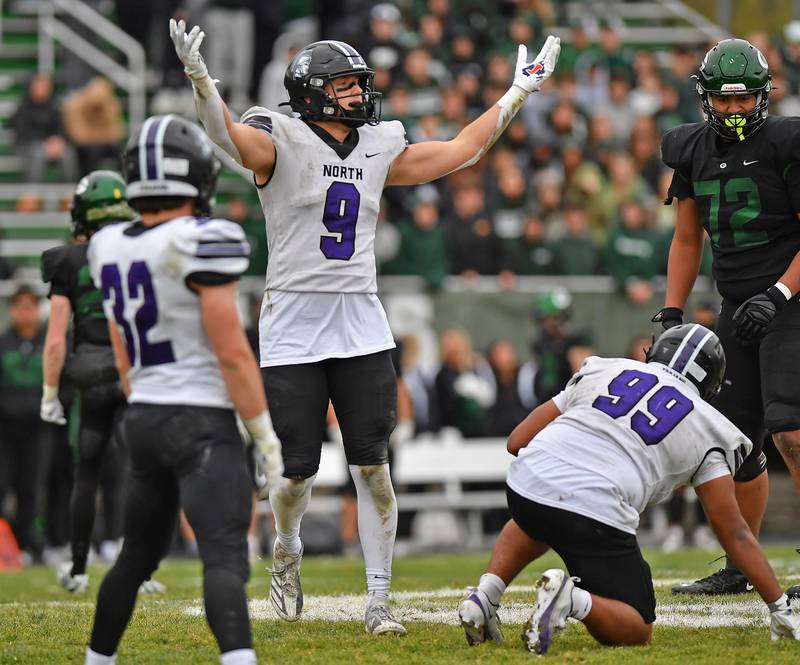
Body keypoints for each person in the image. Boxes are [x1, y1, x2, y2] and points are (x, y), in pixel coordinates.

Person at [169, 18, 560, 634]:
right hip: (294, 321)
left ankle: (379, 599)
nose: (359, 93)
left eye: (359, 83)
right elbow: (228, 138)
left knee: (373, 467)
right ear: (313, 91)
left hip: (360, 320)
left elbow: (461, 150)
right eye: (346, 85)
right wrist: (199, 81)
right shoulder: (280, 138)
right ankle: (287, 545)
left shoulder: (379, 144)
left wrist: (517, 93)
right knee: (294, 473)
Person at [457, 324, 800, 654]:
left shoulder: (603, 369)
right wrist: (778, 604)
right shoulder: (709, 426)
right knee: (637, 626)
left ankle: (485, 595)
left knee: (541, 510)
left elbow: (517, 441)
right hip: (592, 508)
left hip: (525, 485)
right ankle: (569, 599)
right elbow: (733, 532)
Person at [82, 115, 283, 665]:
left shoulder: (106, 244)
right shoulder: (203, 239)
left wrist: (145, 402)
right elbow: (231, 351)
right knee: (223, 557)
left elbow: (122, 351)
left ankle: (97, 660)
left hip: (143, 415)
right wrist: (264, 435)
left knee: (135, 557)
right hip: (200, 420)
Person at [655, 38, 800, 596]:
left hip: (792, 298)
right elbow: (687, 238)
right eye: (724, 99)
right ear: (705, 98)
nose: (734, 109)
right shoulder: (689, 148)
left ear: (763, 96)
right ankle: (743, 566)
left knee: (791, 429)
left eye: (744, 99)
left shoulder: (786, 142)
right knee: (732, 440)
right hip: (738, 305)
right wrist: (672, 311)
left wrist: (780, 293)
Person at [41, 171, 166, 594]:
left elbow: (56, 337)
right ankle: (142, 571)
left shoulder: (68, 260)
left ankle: (78, 568)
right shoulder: (142, 249)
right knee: (139, 472)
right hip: (134, 370)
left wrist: (49, 392)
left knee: (87, 473)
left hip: (91, 373)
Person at [0, 286, 47, 563]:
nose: (25, 312)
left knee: (31, 488)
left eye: (30, 306)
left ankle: (28, 546)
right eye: (20, 306)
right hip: (5, 429)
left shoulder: (49, 340)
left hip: (38, 429)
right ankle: (5, 546)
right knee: (2, 484)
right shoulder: (3, 342)